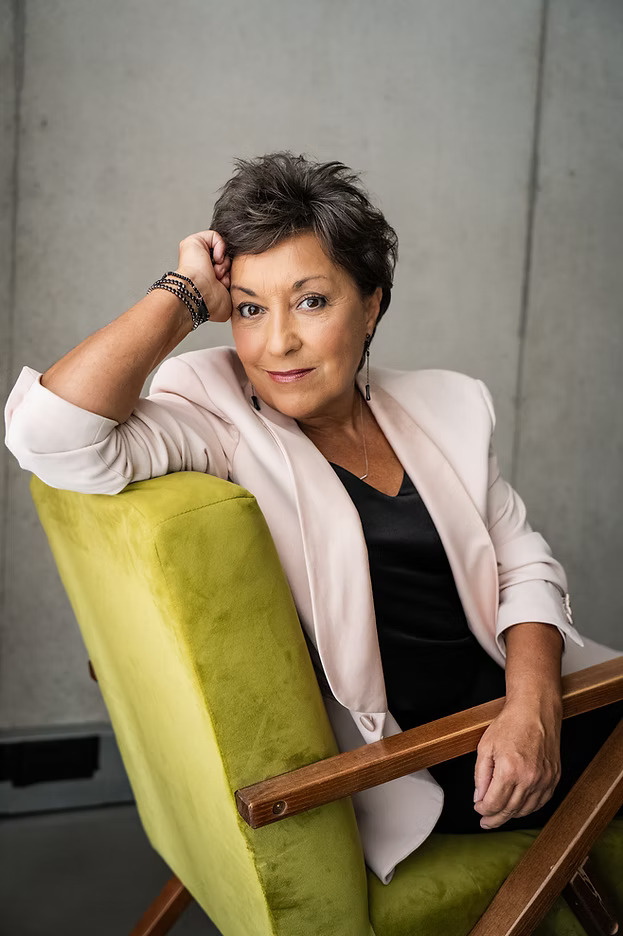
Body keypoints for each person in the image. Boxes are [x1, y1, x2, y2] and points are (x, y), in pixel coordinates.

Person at [4, 151, 621, 886]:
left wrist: (532, 708)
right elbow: (47, 437)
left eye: (311, 301)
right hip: (432, 761)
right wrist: (183, 295)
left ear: (372, 304)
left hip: (539, 702)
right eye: (250, 307)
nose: (276, 344)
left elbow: (523, 564)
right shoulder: (215, 410)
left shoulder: (446, 404)